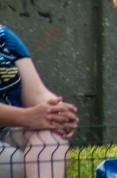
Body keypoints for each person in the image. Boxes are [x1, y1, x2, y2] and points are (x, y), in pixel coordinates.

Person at [0, 25, 78, 178]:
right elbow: (29, 117)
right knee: (14, 165)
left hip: (9, 132)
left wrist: (56, 112)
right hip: (17, 125)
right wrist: (27, 117)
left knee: (51, 137)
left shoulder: (4, 37)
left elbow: (36, 93)